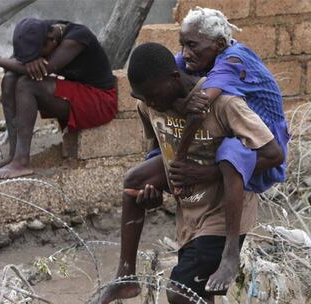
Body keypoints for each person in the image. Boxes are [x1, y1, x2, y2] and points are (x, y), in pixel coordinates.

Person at [96, 43, 282, 304]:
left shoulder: (222, 104)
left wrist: (206, 173)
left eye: (152, 95)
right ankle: (125, 276)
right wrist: (155, 190)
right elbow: (157, 149)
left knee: (180, 293)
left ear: (173, 78)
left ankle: (231, 255)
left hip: (224, 215)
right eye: (142, 98)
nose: (149, 103)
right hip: (189, 216)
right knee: (134, 182)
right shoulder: (149, 105)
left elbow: (274, 154)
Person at [0, 18, 117, 179]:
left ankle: (22, 162)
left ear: (52, 41)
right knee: (9, 78)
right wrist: (28, 59)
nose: (34, 59)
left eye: (38, 54)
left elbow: (44, 70)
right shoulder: (42, 31)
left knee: (26, 84)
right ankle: (13, 154)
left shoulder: (77, 38)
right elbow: (20, 62)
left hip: (99, 101)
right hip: (76, 94)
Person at [171, 6, 290, 194]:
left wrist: (179, 161)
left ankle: (228, 216)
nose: (185, 53)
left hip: (263, 148)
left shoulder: (234, 60)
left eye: (192, 45)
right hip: (233, 130)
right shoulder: (196, 55)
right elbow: (162, 75)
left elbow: (199, 107)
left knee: (229, 152)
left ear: (219, 44)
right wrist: (178, 103)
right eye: (182, 45)